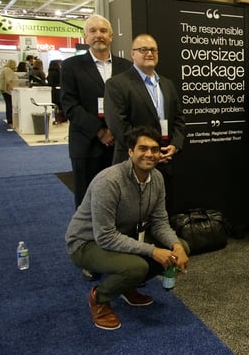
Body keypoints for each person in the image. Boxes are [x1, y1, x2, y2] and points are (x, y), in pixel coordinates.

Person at [65, 126, 190, 331]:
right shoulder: (109, 181)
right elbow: (105, 236)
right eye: (143, 148)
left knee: (181, 247)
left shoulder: (156, 178)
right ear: (130, 152)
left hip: (122, 235)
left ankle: (126, 286)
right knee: (136, 267)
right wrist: (153, 251)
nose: (149, 154)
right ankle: (100, 298)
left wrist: (175, 245)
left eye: (155, 149)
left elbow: (159, 222)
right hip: (87, 243)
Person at [104, 34, 186, 213]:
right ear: (132, 54)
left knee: (162, 213)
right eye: (143, 50)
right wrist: (148, 152)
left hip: (165, 160)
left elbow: (179, 119)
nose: (149, 53)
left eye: (153, 50)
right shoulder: (117, 84)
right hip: (132, 162)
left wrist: (175, 145)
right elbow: (118, 124)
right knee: (131, 213)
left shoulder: (167, 84)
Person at [61, 14, 132, 209]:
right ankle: (86, 239)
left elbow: (131, 104)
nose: (98, 35)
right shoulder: (70, 66)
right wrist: (100, 131)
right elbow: (70, 105)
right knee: (87, 200)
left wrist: (116, 132)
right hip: (86, 143)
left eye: (103, 31)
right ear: (85, 38)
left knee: (119, 198)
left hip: (119, 145)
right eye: (92, 31)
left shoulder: (126, 67)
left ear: (111, 36)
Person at [0, 59, 19, 129]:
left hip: (5, 89)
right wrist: (13, 88)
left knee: (8, 105)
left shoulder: (4, 69)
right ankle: (10, 120)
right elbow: (9, 80)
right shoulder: (8, 70)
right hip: (7, 90)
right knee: (9, 105)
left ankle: (9, 119)